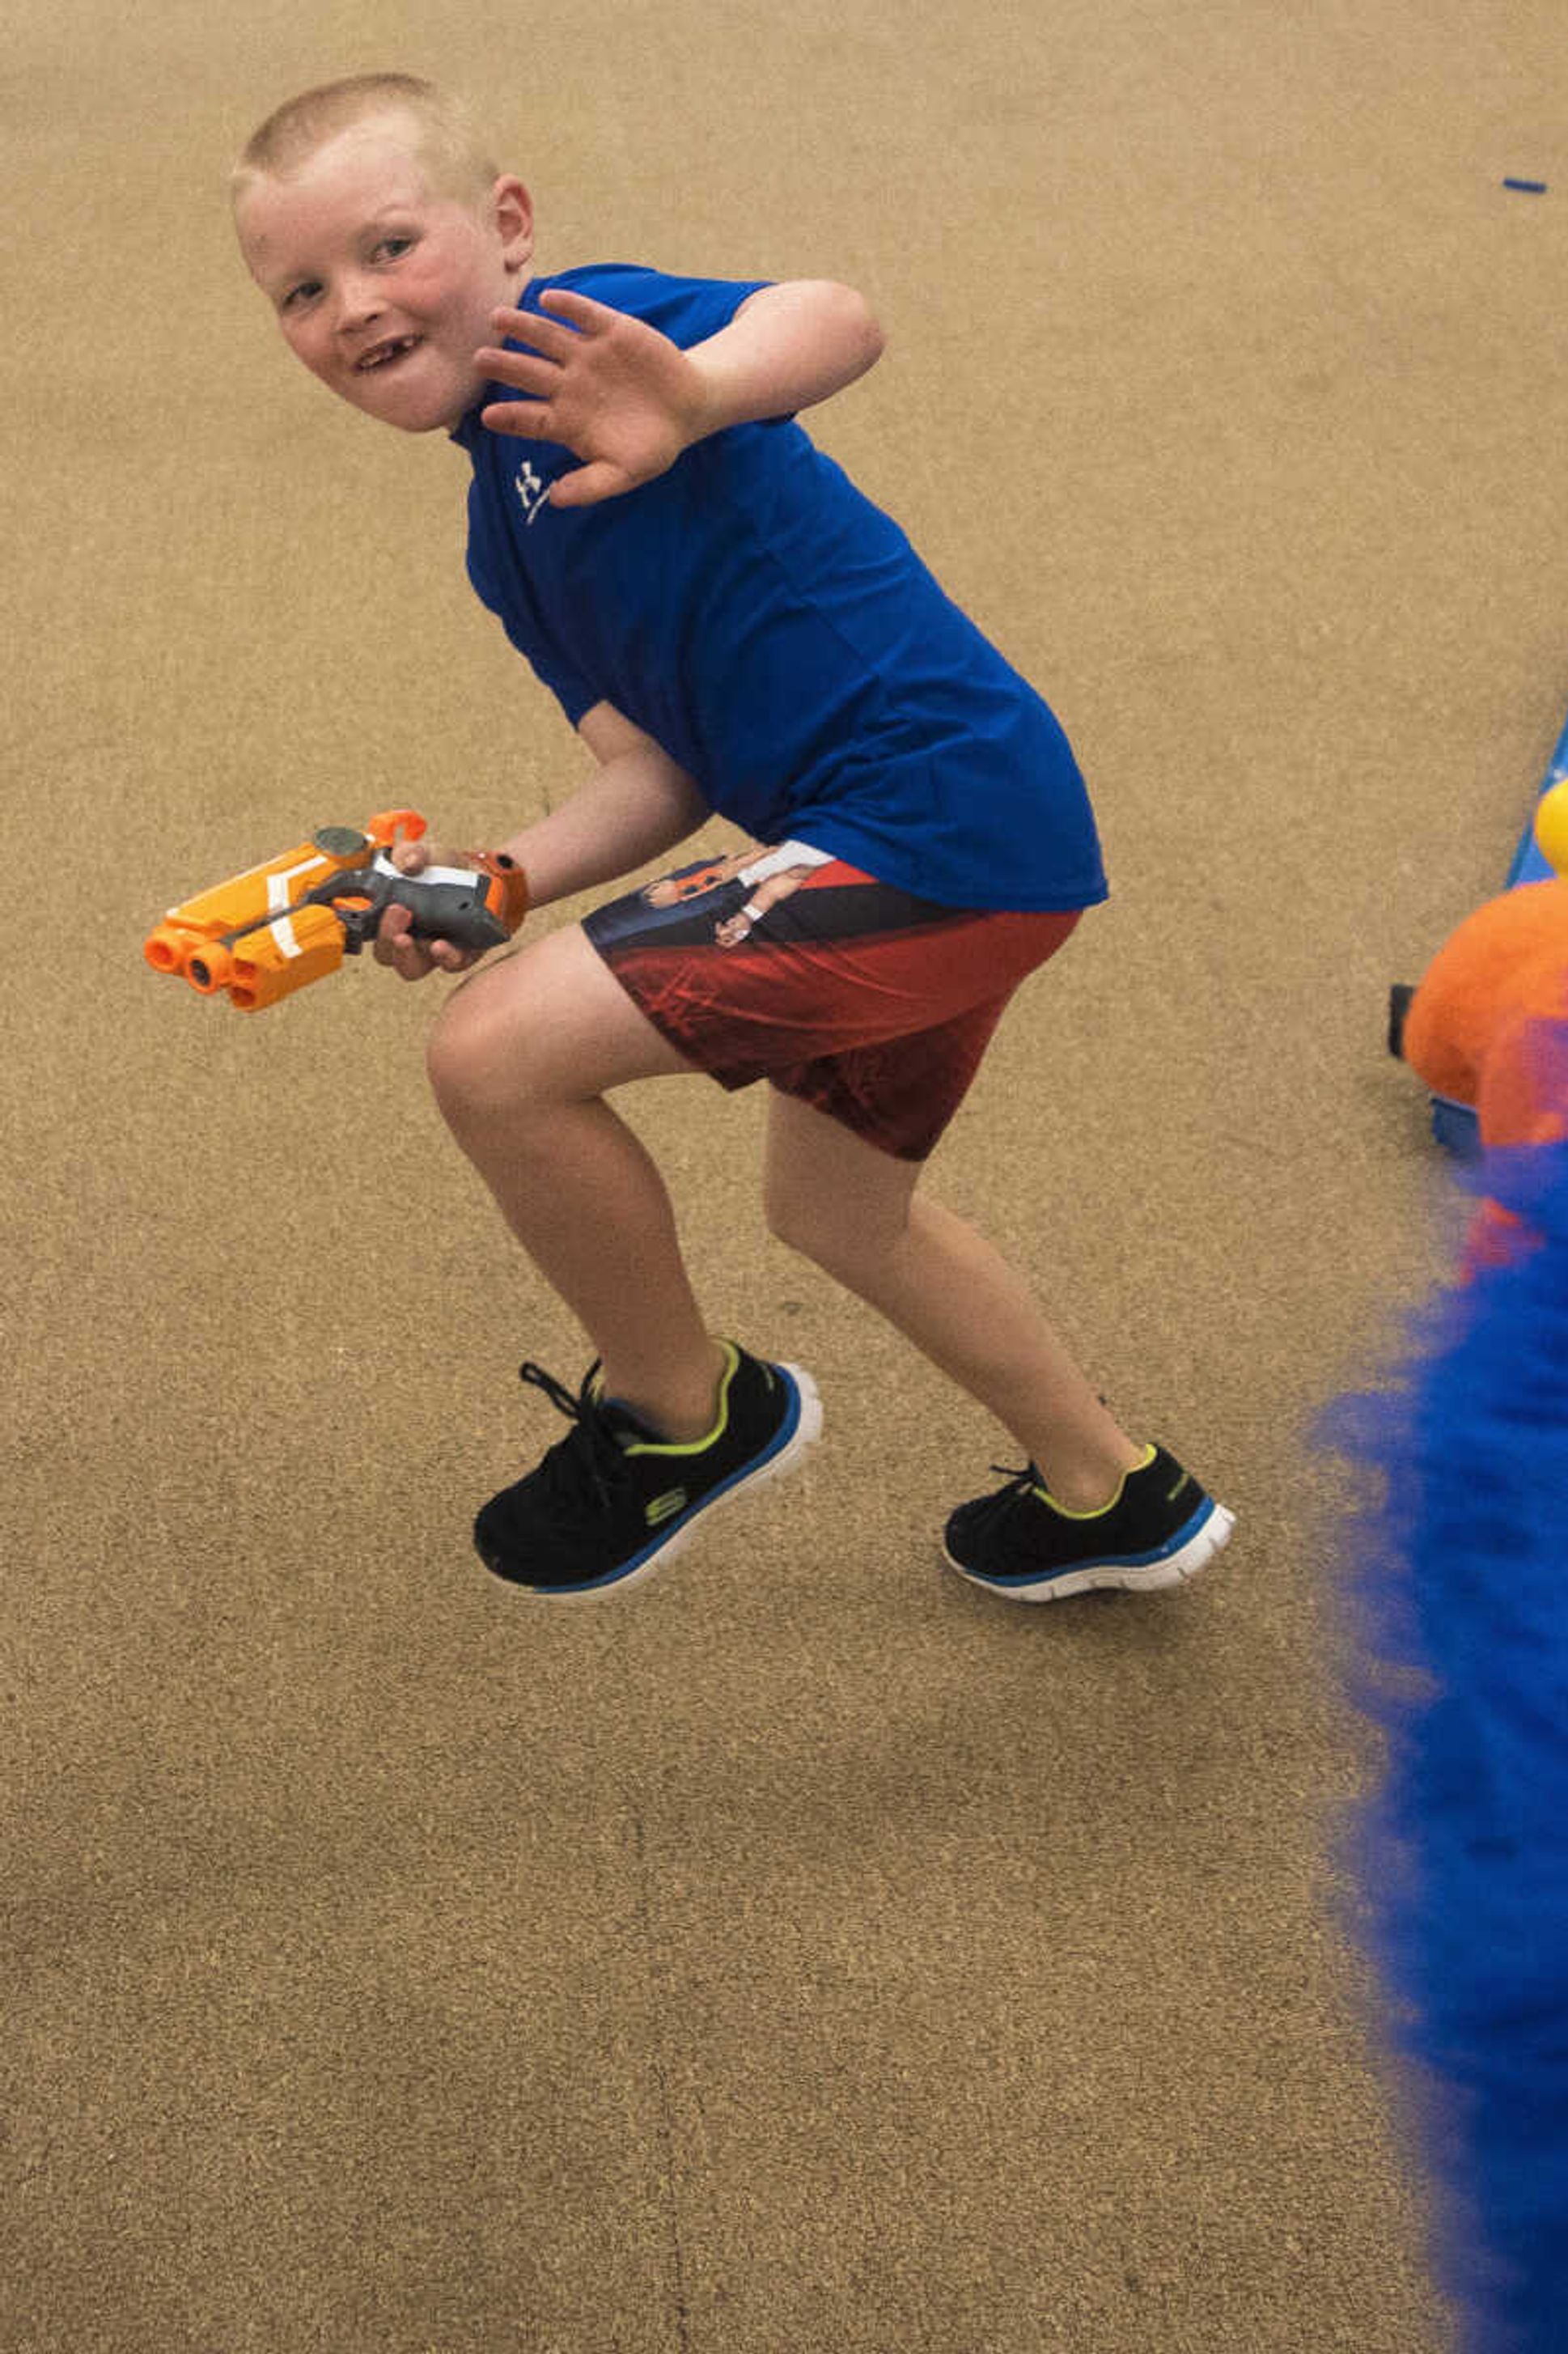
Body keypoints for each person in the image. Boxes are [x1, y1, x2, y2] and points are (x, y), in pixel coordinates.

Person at [227, 72, 1232, 1604]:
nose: (351, 306)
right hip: (931, 842)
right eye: (302, 290)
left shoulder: (590, 328)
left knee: (495, 1057)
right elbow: (657, 774)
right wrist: (496, 879)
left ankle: (681, 1417)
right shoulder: (506, 538)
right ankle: (1111, 1492)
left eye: (386, 249)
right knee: (836, 1211)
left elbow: (838, 317)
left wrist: (692, 392)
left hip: (933, 816)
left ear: (504, 228)